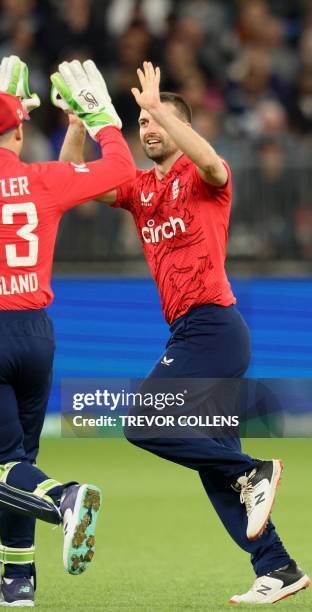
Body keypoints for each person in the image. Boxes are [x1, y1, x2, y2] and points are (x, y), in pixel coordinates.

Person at [56, 61, 310, 605]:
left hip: (213, 327)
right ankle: (279, 567)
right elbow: (72, 181)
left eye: (158, 121)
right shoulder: (140, 188)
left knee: (144, 423)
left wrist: (163, 114)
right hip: (192, 332)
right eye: (142, 122)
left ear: (181, 129)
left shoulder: (204, 178)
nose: (147, 130)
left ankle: (254, 470)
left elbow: (211, 161)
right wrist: (79, 120)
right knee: (212, 464)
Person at [0, 56, 135, 607]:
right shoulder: (41, 180)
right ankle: (15, 583)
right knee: (19, 459)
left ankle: (65, 498)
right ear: (23, 132)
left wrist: (3, 104)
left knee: (1, 468)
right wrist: (101, 120)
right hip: (35, 335)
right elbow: (119, 170)